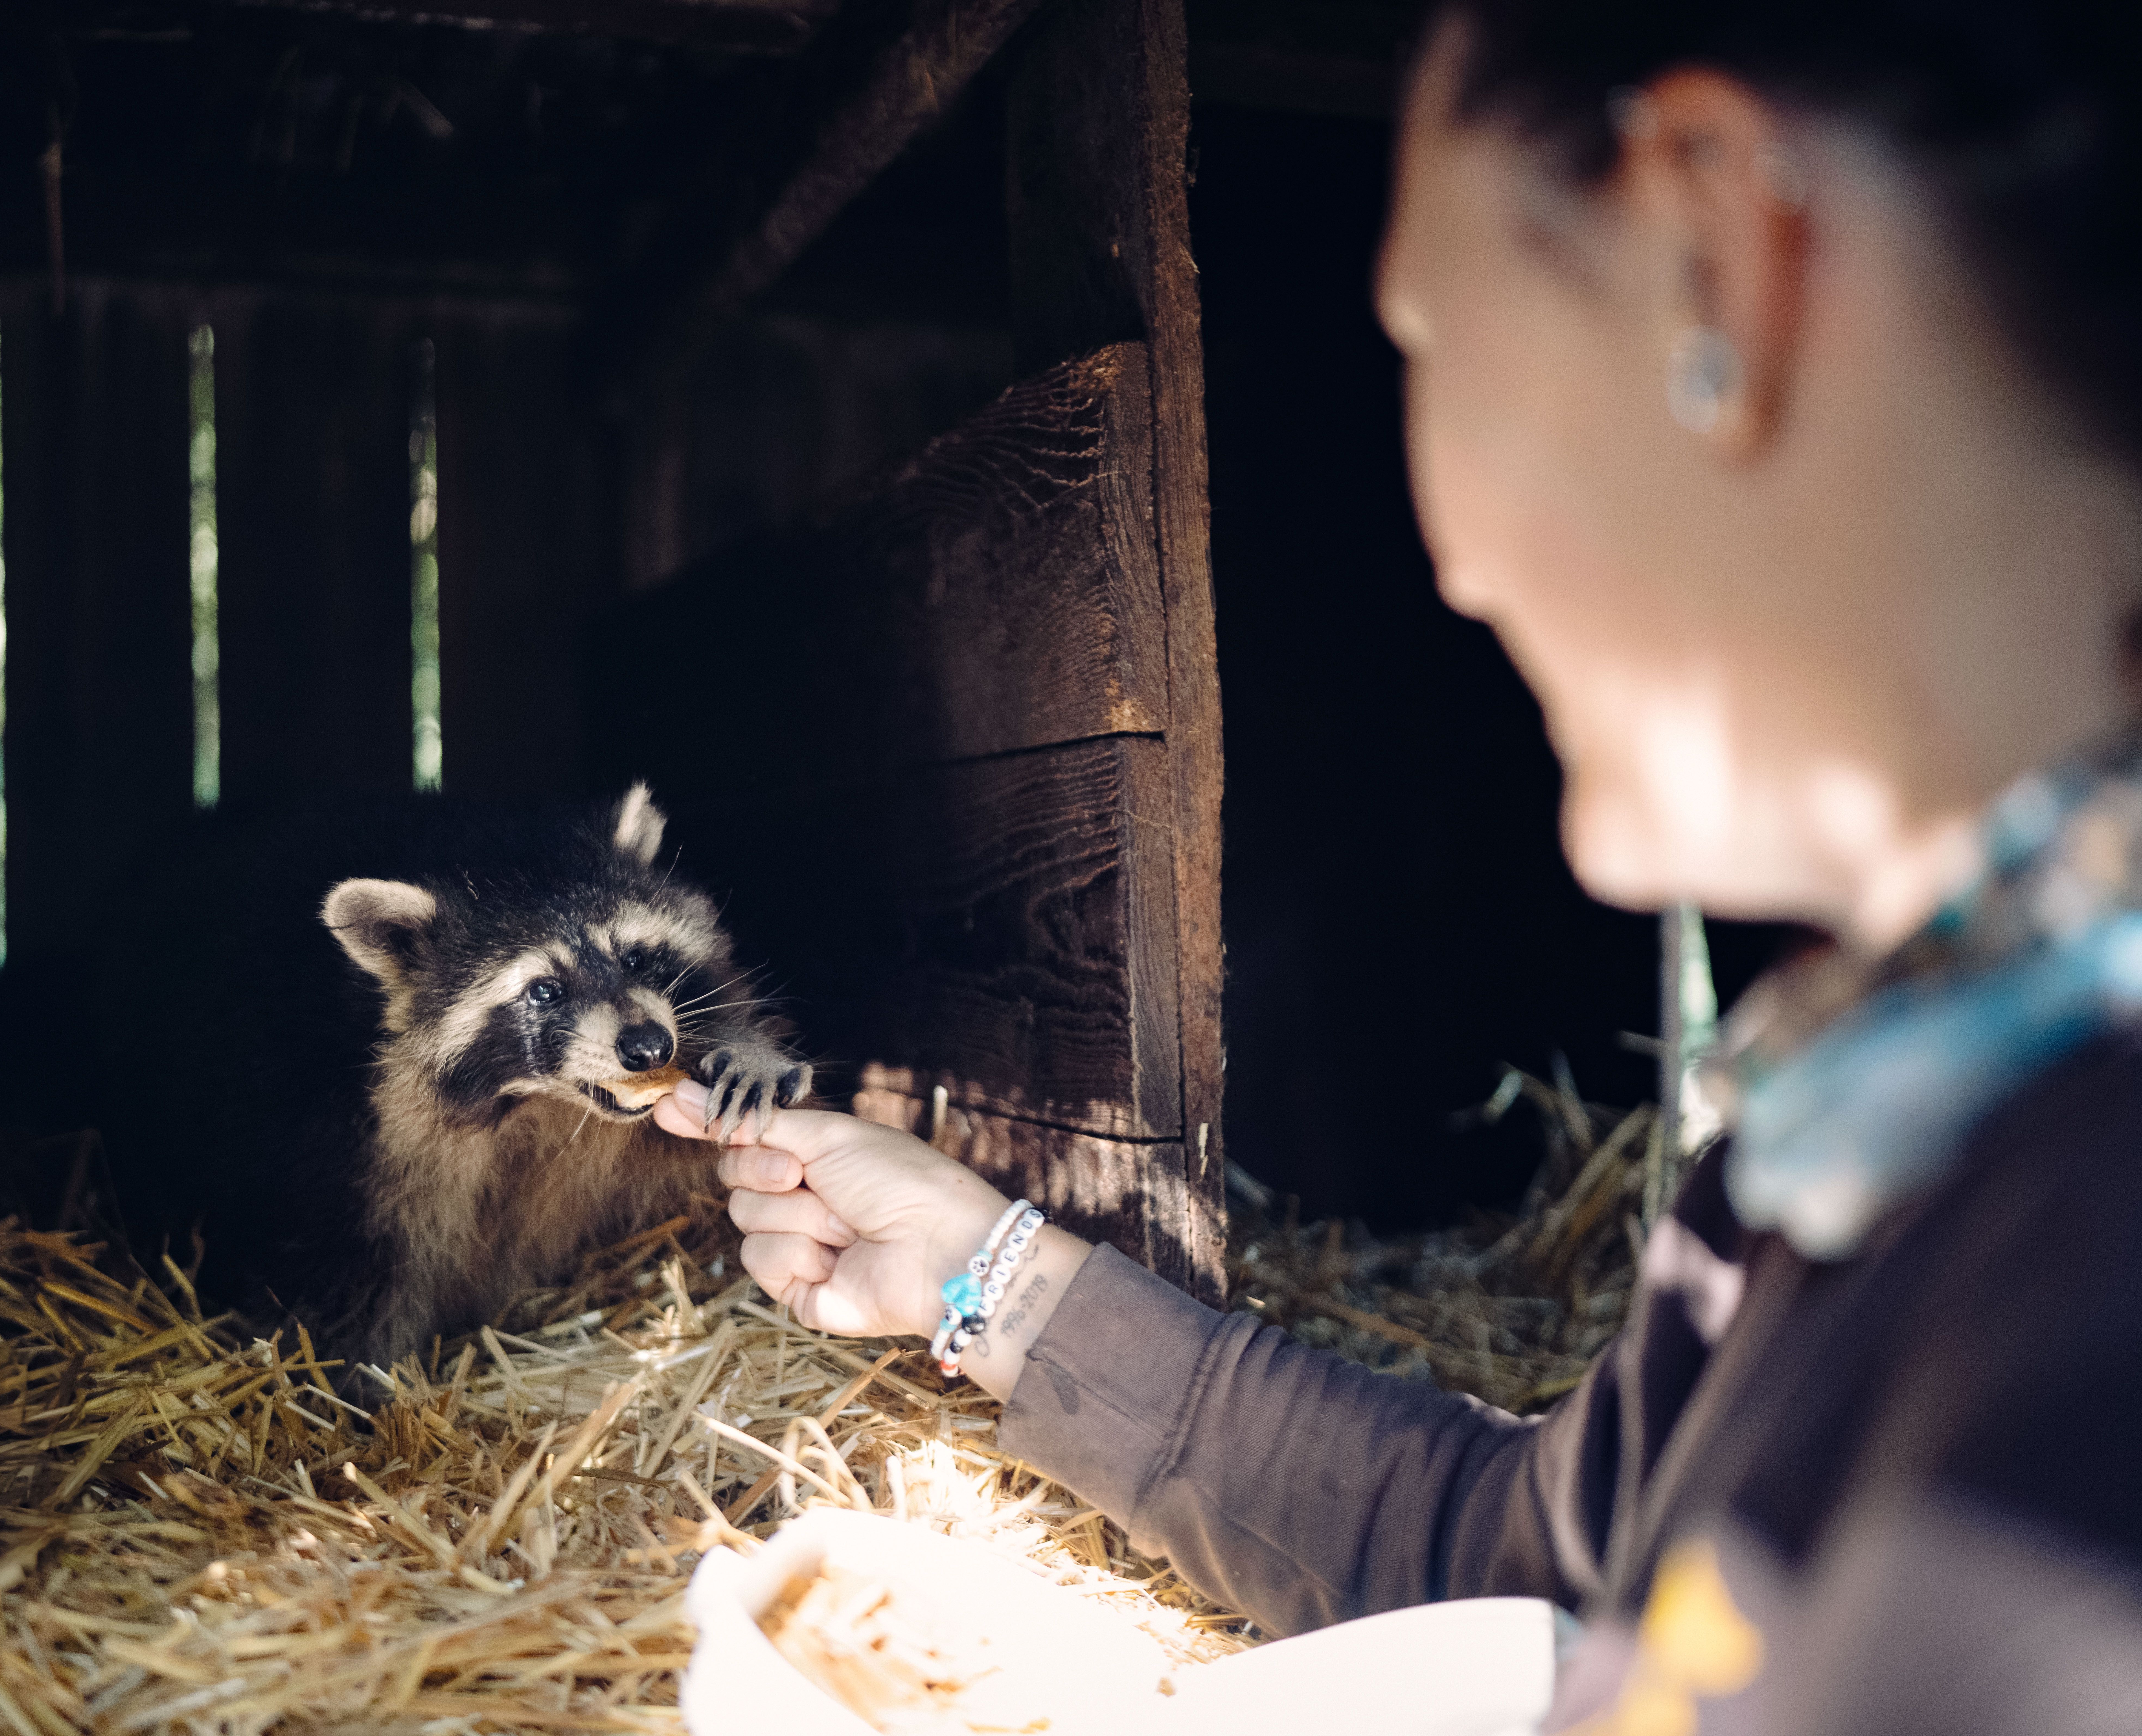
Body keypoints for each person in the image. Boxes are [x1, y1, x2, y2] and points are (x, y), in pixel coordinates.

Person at [654, 4, 2142, 1730]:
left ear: (1722, 262)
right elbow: (1519, 1561)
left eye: (1440, 344)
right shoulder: (1884, 1139)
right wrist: (992, 1278)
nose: (1452, 562)